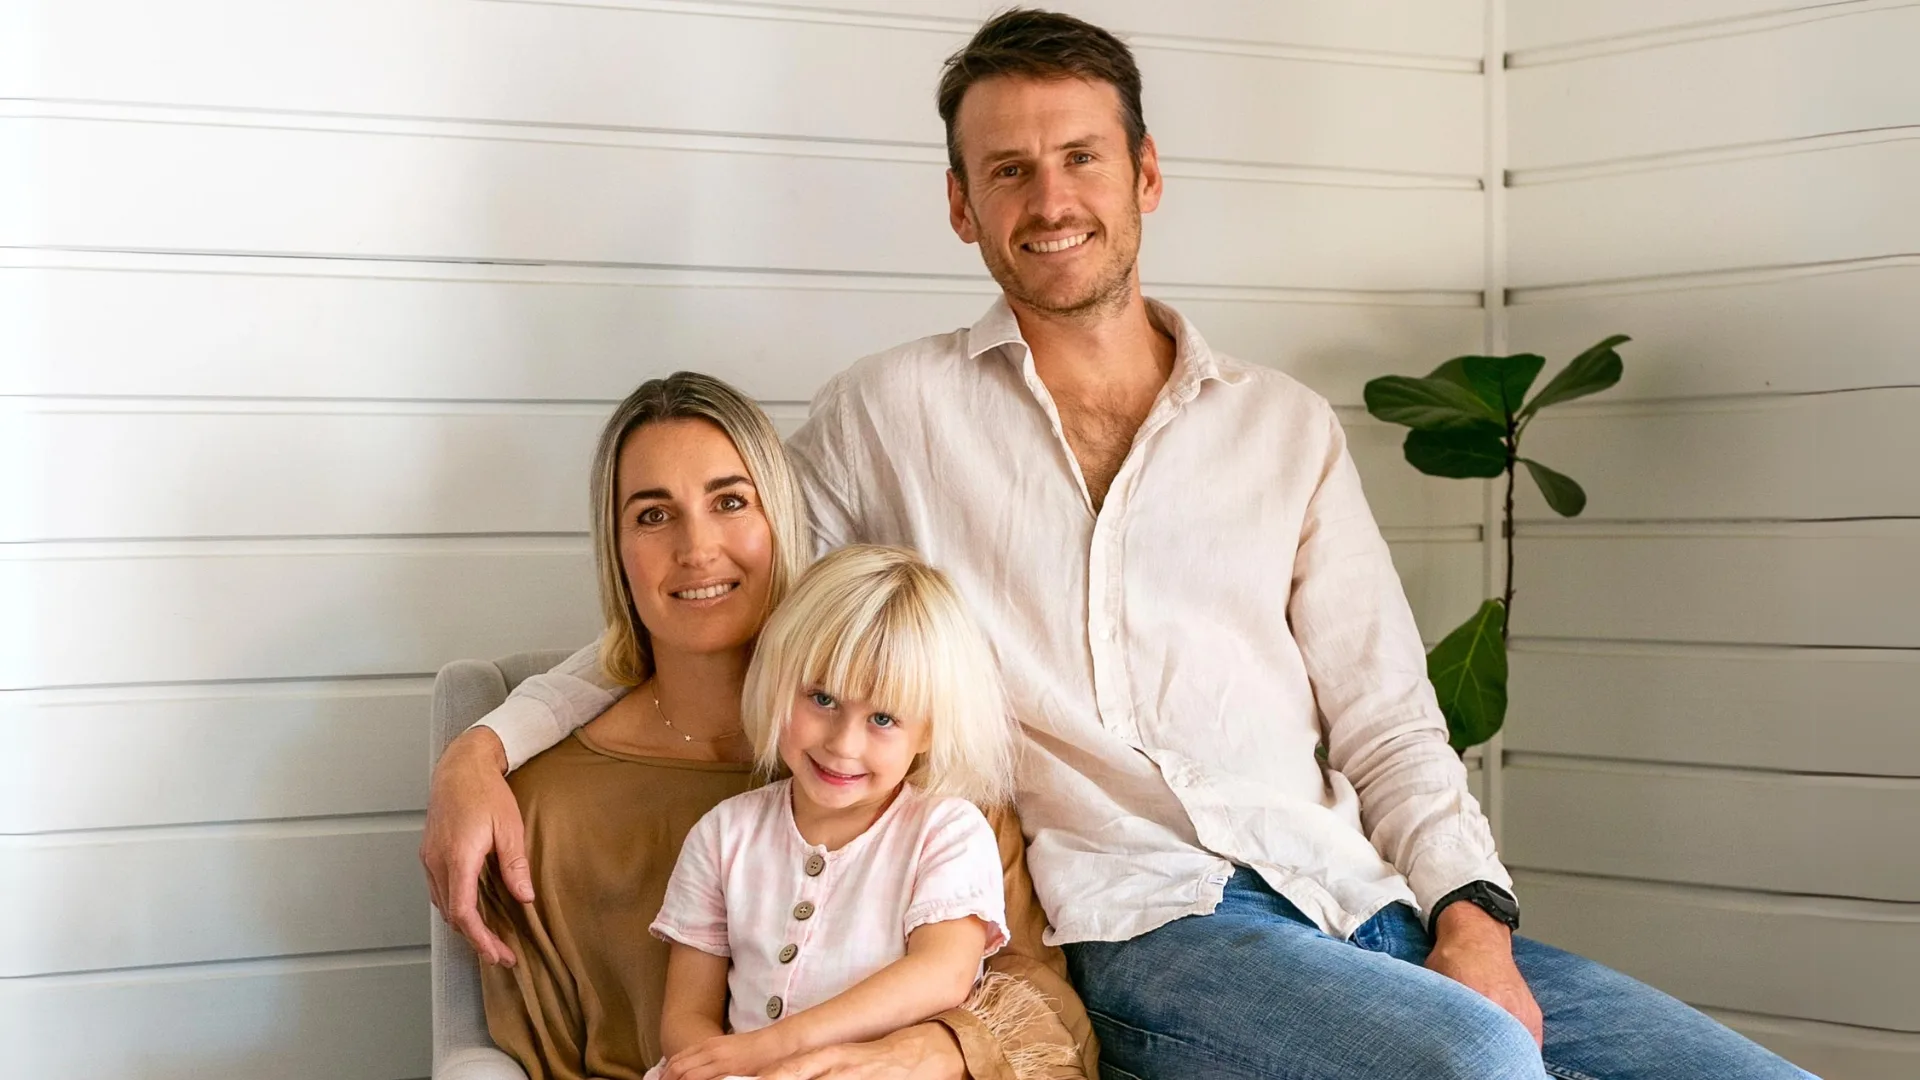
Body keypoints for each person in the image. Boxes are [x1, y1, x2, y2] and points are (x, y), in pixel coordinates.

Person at [429, 11, 1817, 1079]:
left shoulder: (1282, 428)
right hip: (1144, 934)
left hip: (1358, 900)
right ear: (963, 207)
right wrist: (485, 744)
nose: (1051, 200)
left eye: (1081, 157)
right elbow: (713, 593)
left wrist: (1470, 922)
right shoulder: (885, 416)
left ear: (1145, 173)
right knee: (1473, 1066)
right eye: (1008, 170)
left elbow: (1392, 723)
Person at [461, 372, 1092, 1080]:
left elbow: (1040, 1015)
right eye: (653, 514)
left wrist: (921, 1053)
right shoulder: (542, 809)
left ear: (782, 521)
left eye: (731, 501)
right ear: (615, 549)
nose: (697, 549)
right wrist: (471, 753)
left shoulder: (935, 779)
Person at [649, 545, 1039, 1080]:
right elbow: (685, 1017)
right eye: (823, 699)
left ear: (928, 729)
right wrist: (724, 1068)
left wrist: (775, 1047)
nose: (843, 745)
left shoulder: (947, 832)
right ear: (779, 681)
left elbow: (942, 973)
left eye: (883, 718)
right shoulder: (723, 833)